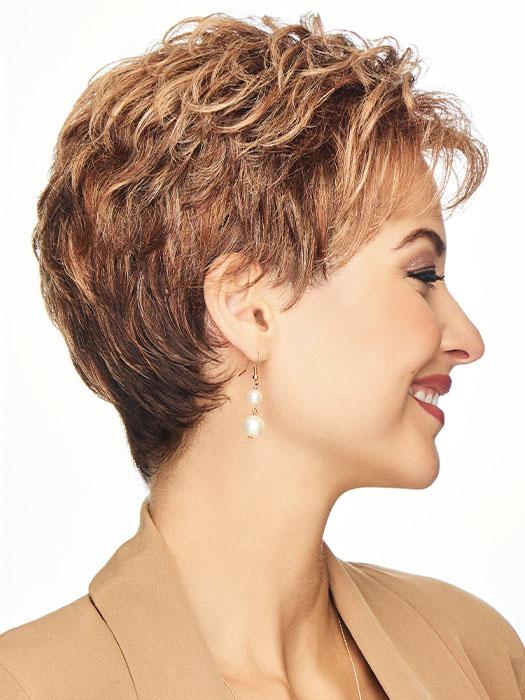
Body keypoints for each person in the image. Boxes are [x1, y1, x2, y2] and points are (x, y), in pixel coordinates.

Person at [1, 11, 524, 699]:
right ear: (249, 310)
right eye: (421, 274)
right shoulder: (30, 685)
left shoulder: (475, 653)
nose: (467, 340)